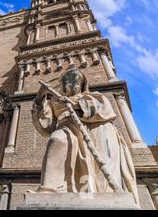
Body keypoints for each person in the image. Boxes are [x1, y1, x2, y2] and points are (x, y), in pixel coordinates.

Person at [31, 66, 139, 203]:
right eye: (68, 82)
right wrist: (41, 97)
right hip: (67, 127)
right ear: (63, 85)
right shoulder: (56, 102)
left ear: (82, 84)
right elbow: (46, 124)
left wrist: (75, 104)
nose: (73, 85)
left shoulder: (95, 96)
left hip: (97, 131)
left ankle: (105, 195)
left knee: (101, 171)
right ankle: (49, 188)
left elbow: (105, 111)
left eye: (76, 82)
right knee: (56, 139)